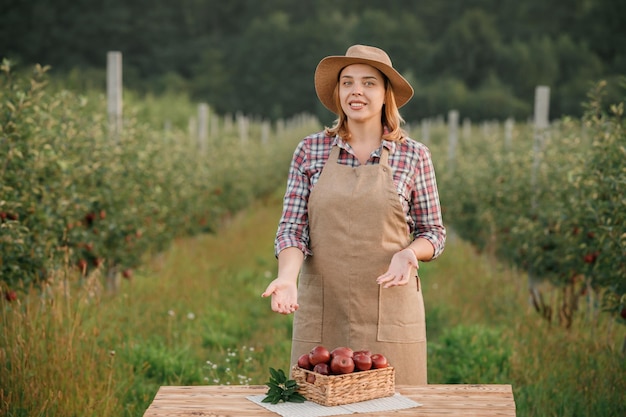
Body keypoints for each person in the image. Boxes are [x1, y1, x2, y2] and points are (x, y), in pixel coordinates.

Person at [261, 44, 446, 385]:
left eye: (368, 82)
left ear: (386, 93)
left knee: (395, 404)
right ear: (338, 92)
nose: (356, 91)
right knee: (318, 402)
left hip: (389, 309)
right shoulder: (311, 150)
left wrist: (409, 252)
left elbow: (433, 232)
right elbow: (292, 229)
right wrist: (287, 277)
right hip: (323, 307)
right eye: (347, 83)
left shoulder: (414, 155)